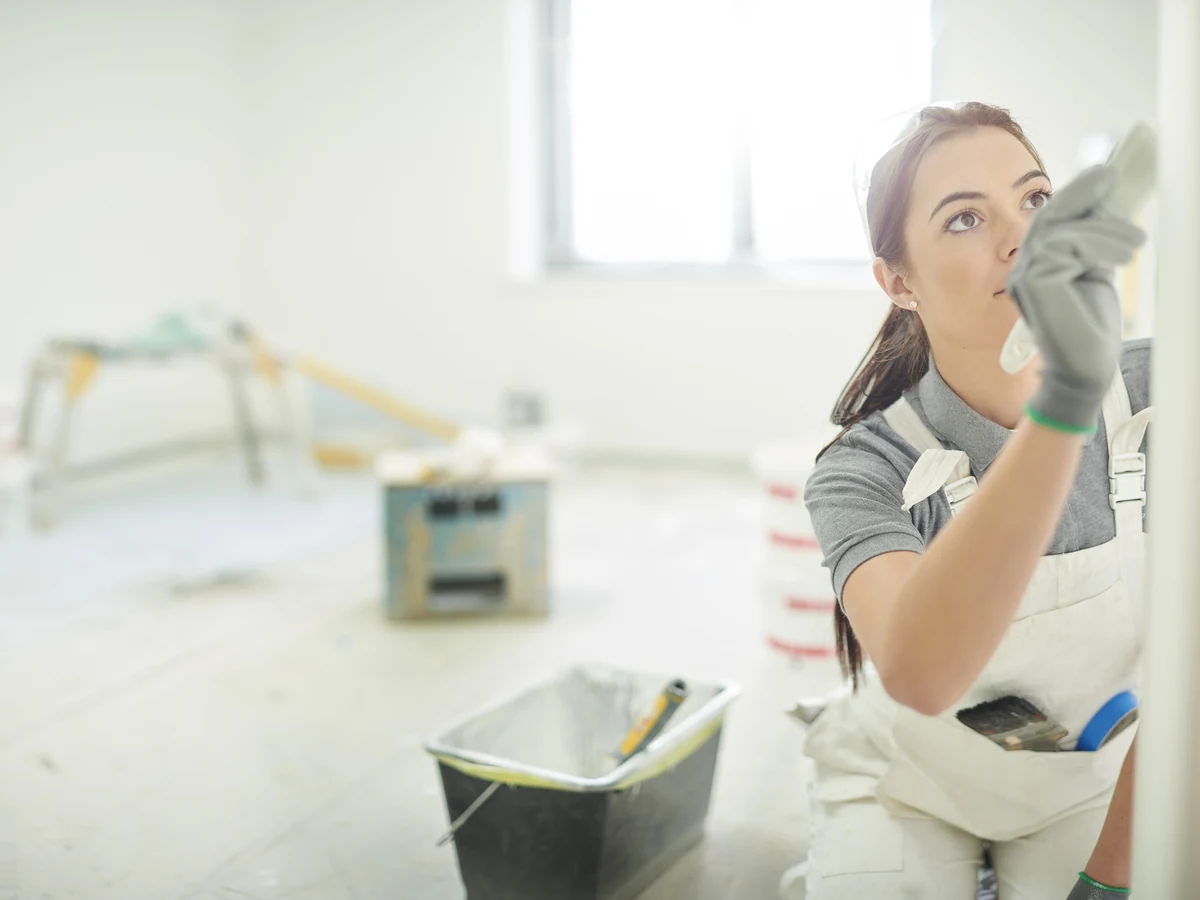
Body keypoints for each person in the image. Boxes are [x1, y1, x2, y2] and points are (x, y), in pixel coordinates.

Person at [795, 102, 1149, 899]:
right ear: (899, 284)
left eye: (1036, 200)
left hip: (1083, 786)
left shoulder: (1163, 397)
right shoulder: (863, 470)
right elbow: (923, 674)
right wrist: (1065, 397)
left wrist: (1111, 876)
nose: (1023, 237)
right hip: (904, 785)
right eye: (963, 219)